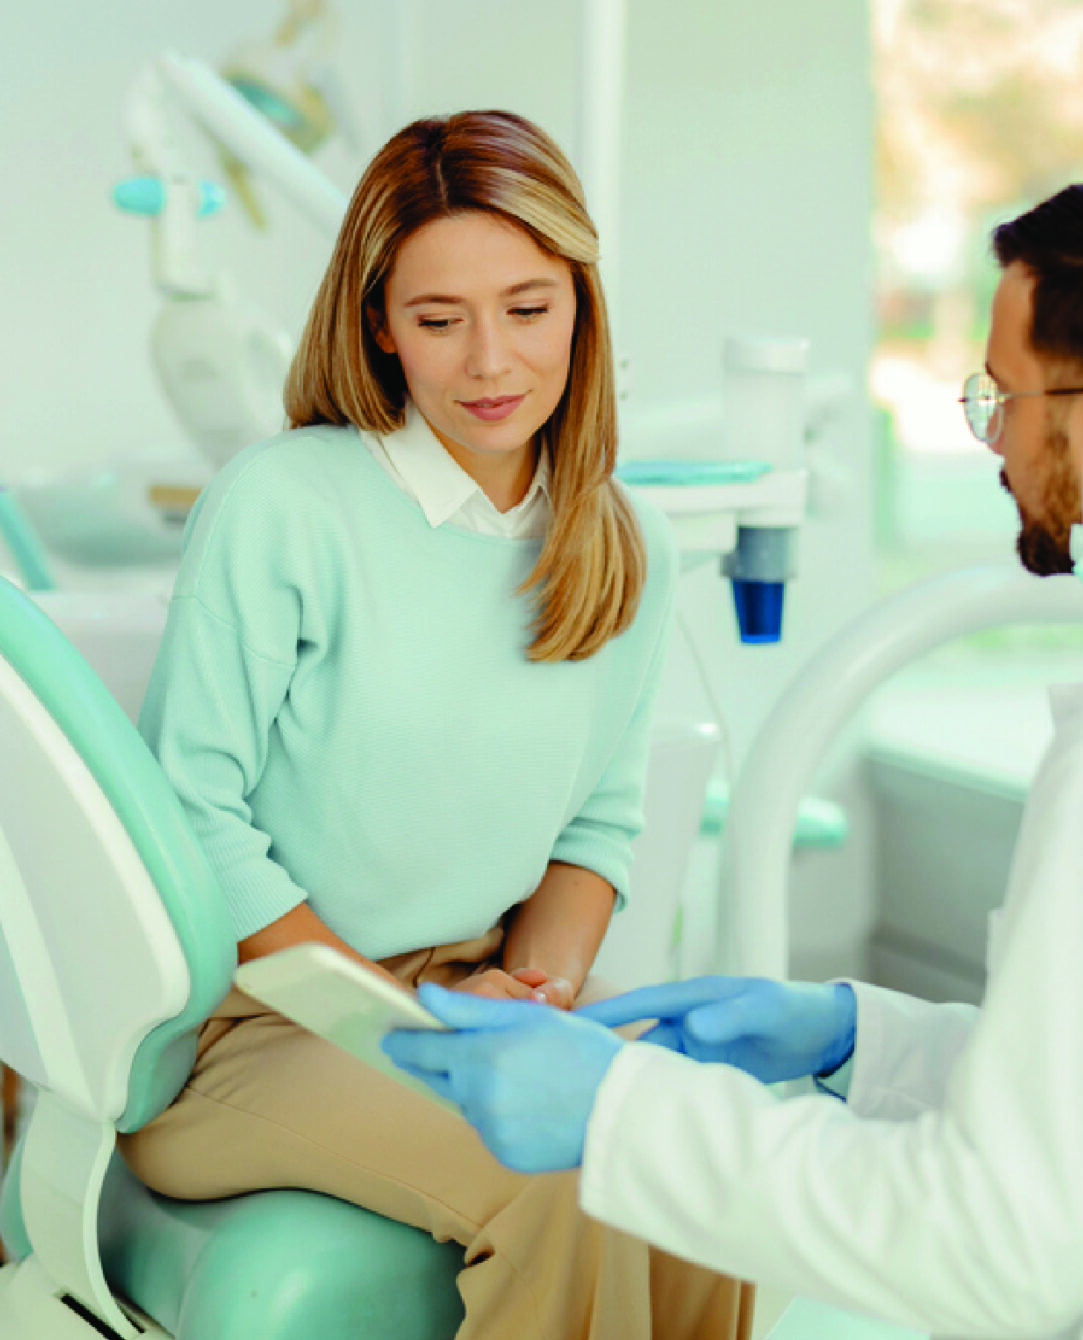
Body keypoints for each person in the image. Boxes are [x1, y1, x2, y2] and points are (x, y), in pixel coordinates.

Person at [384, 176, 1083, 1340]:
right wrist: (850, 1033)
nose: (992, 438)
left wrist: (616, 1112)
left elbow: (990, 1248)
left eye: (1004, 397)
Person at [120, 109, 751, 1340]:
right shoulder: (288, 504)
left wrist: (543, 994)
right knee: (561, 1168)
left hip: (466, 989)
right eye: (438, 318)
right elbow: (191, 815)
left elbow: (596, 822)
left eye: (527, 307)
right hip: (252, 1026)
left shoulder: (623, 538)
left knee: (696, 1136)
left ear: (580, 302)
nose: (489, 363)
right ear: (378, 327)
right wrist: (407, 1026)